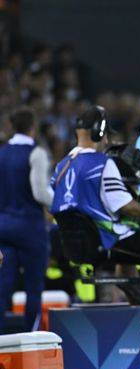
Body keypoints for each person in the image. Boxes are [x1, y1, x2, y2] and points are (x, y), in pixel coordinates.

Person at [50, 106, 140, 306]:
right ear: (99, 133)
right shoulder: (102, 163)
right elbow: (124, 205)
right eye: (106, 135)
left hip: (75, 247)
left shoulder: (60, 167)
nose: (107, 141)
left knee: (127, 253)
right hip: (106, 240)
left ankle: (139, 310)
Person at [0, 107, 53, 332]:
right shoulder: (36, 153)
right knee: (33, 287)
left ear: (12, 126)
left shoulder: (1, 153)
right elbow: (40, 192)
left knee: (2, 287)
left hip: (3, 227)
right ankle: (32, 337)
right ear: (33, 127)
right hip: (30, 229)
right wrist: (60, 202)